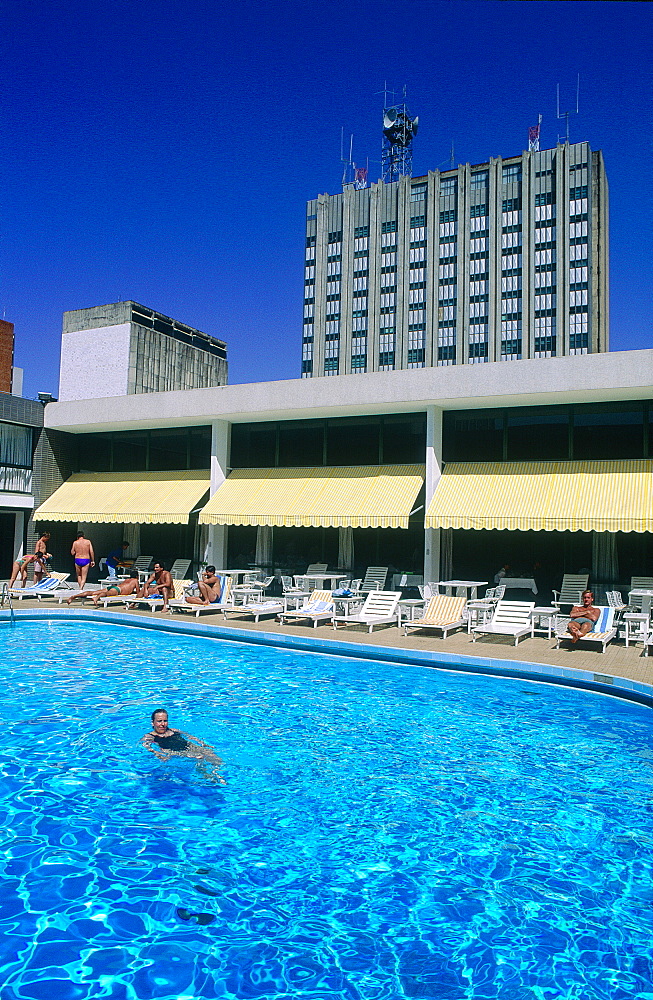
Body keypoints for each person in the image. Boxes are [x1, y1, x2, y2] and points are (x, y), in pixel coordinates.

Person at [141, 708, 224, 778]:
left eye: (165, 721)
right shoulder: (149, 736)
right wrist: (158, 755)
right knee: (199, 757)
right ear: (153, 723)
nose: (163, 724)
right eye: (159, 721)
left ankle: (217, 773)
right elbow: (148, 747)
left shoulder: (174, 730)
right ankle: (207, 775)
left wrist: (202, 743)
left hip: (189, 746)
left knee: (215, 757)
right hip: (172, 751)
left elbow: (190, 737)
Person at [66, 570, 140, 606]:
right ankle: (97, 598)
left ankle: (74, 596)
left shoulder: (127, 580)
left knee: (93, 592)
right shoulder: (135, 580)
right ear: (137, 576)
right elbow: (138, 591)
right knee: (106, 594)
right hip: (118, 590)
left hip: (115, 587)